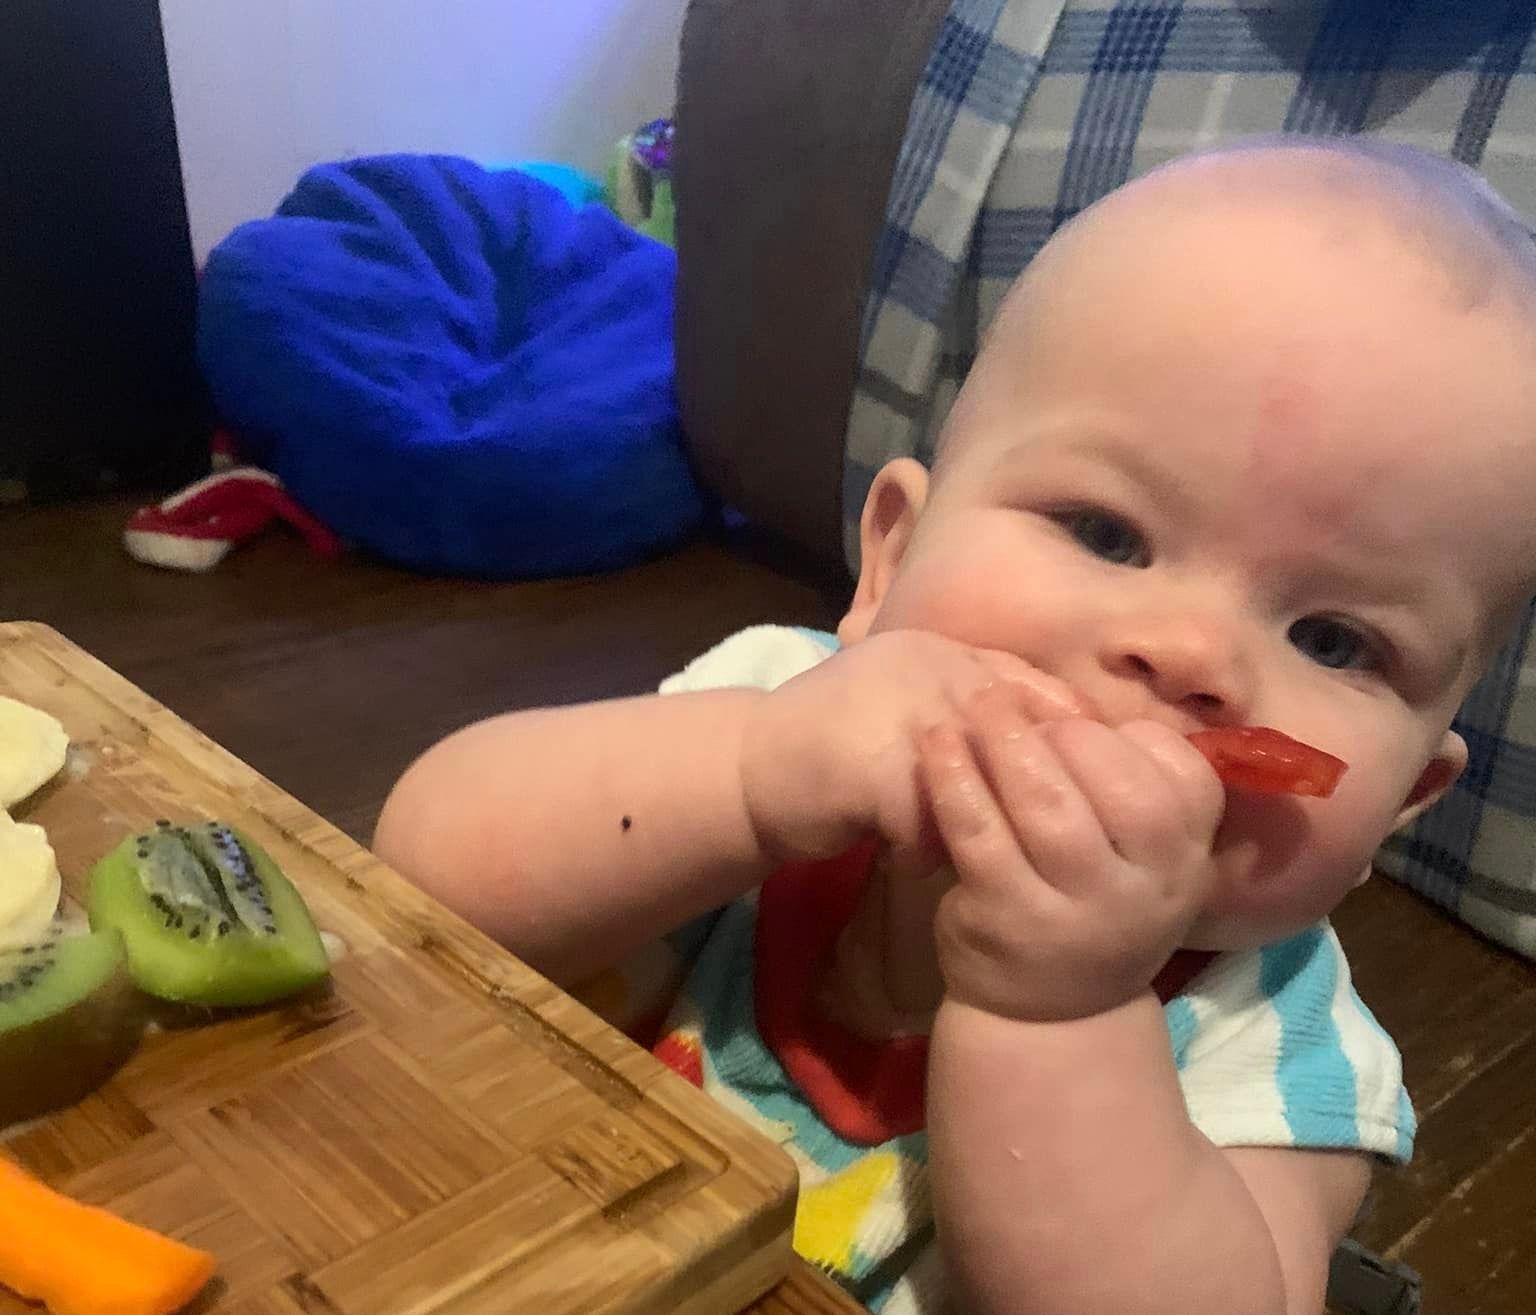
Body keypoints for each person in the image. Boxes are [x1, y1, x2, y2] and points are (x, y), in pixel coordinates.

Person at [373, 138, 1536, 1315]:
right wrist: (753, 775)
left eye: (1333, 640)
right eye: (1107, 532)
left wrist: (1066, 1009)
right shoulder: (780, 704)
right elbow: (423, 880)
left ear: (1402, 804)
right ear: (888, 558)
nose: (1192, 657)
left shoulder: (1277, 1056)